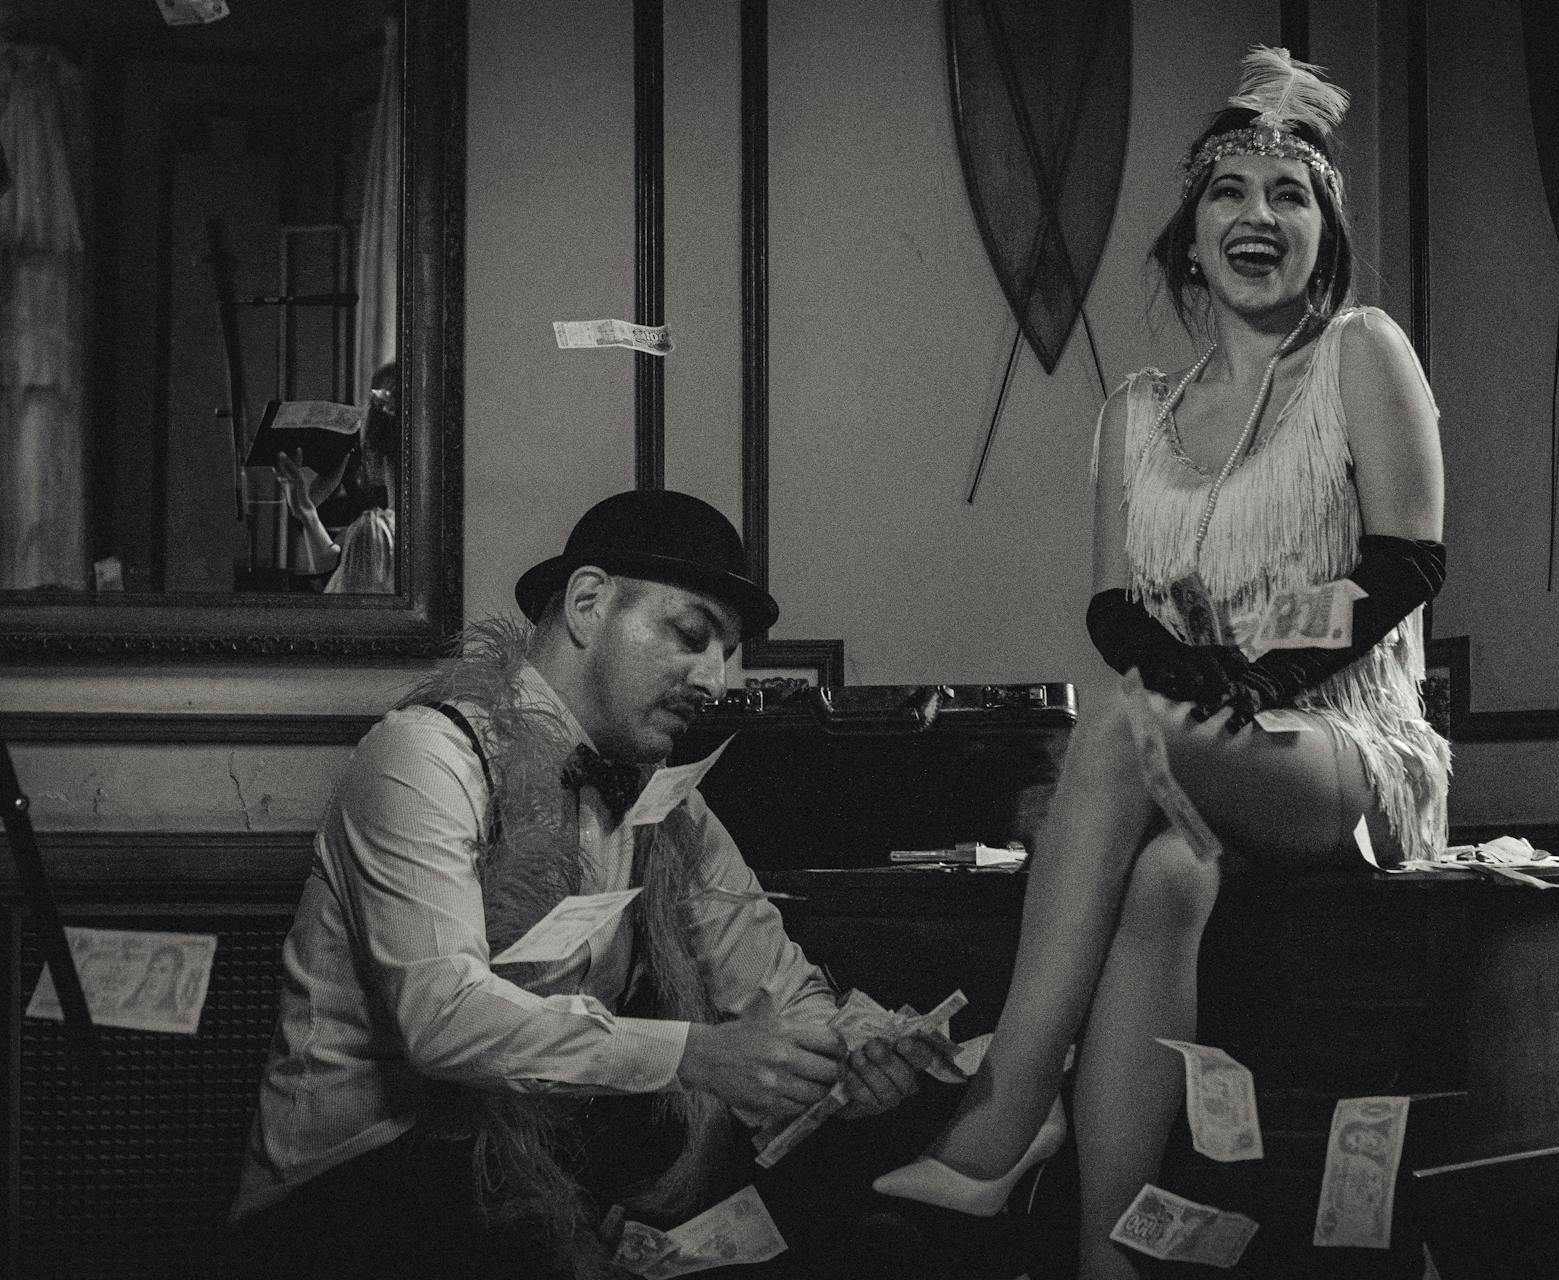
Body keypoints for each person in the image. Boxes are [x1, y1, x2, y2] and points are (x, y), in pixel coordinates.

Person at [873, 48, 1450, 1279]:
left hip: (1345, 747)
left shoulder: (1362, 351)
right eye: (1229, 193)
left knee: (1128, 722)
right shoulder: (1132, 409)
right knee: (1161, 883)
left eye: (1290, 195)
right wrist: (1193, 676)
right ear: (1189, 236)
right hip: (1195, 747)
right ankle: (1112, 1261)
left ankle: (1008, 1106)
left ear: (1324, 232)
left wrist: (1263, 676)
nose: (1258, 216)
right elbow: (1112, 607)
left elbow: (1409, 559)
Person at [230, 489, 940, 1280]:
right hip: (351, 1198)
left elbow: (773, 988)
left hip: (535, 1192)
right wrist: (693, 1057)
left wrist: (848, 1058)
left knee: (850, 1222)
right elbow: (443, 1020)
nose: (714, 679)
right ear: (589, 602)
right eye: (691, 635)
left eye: (726, 653)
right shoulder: (424, 757)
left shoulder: (670, 808)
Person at [274, 362, 399, 593]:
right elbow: (341, 572)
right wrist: (308, 514)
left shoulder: (375, 531)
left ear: (371, 451)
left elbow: (341, 607)